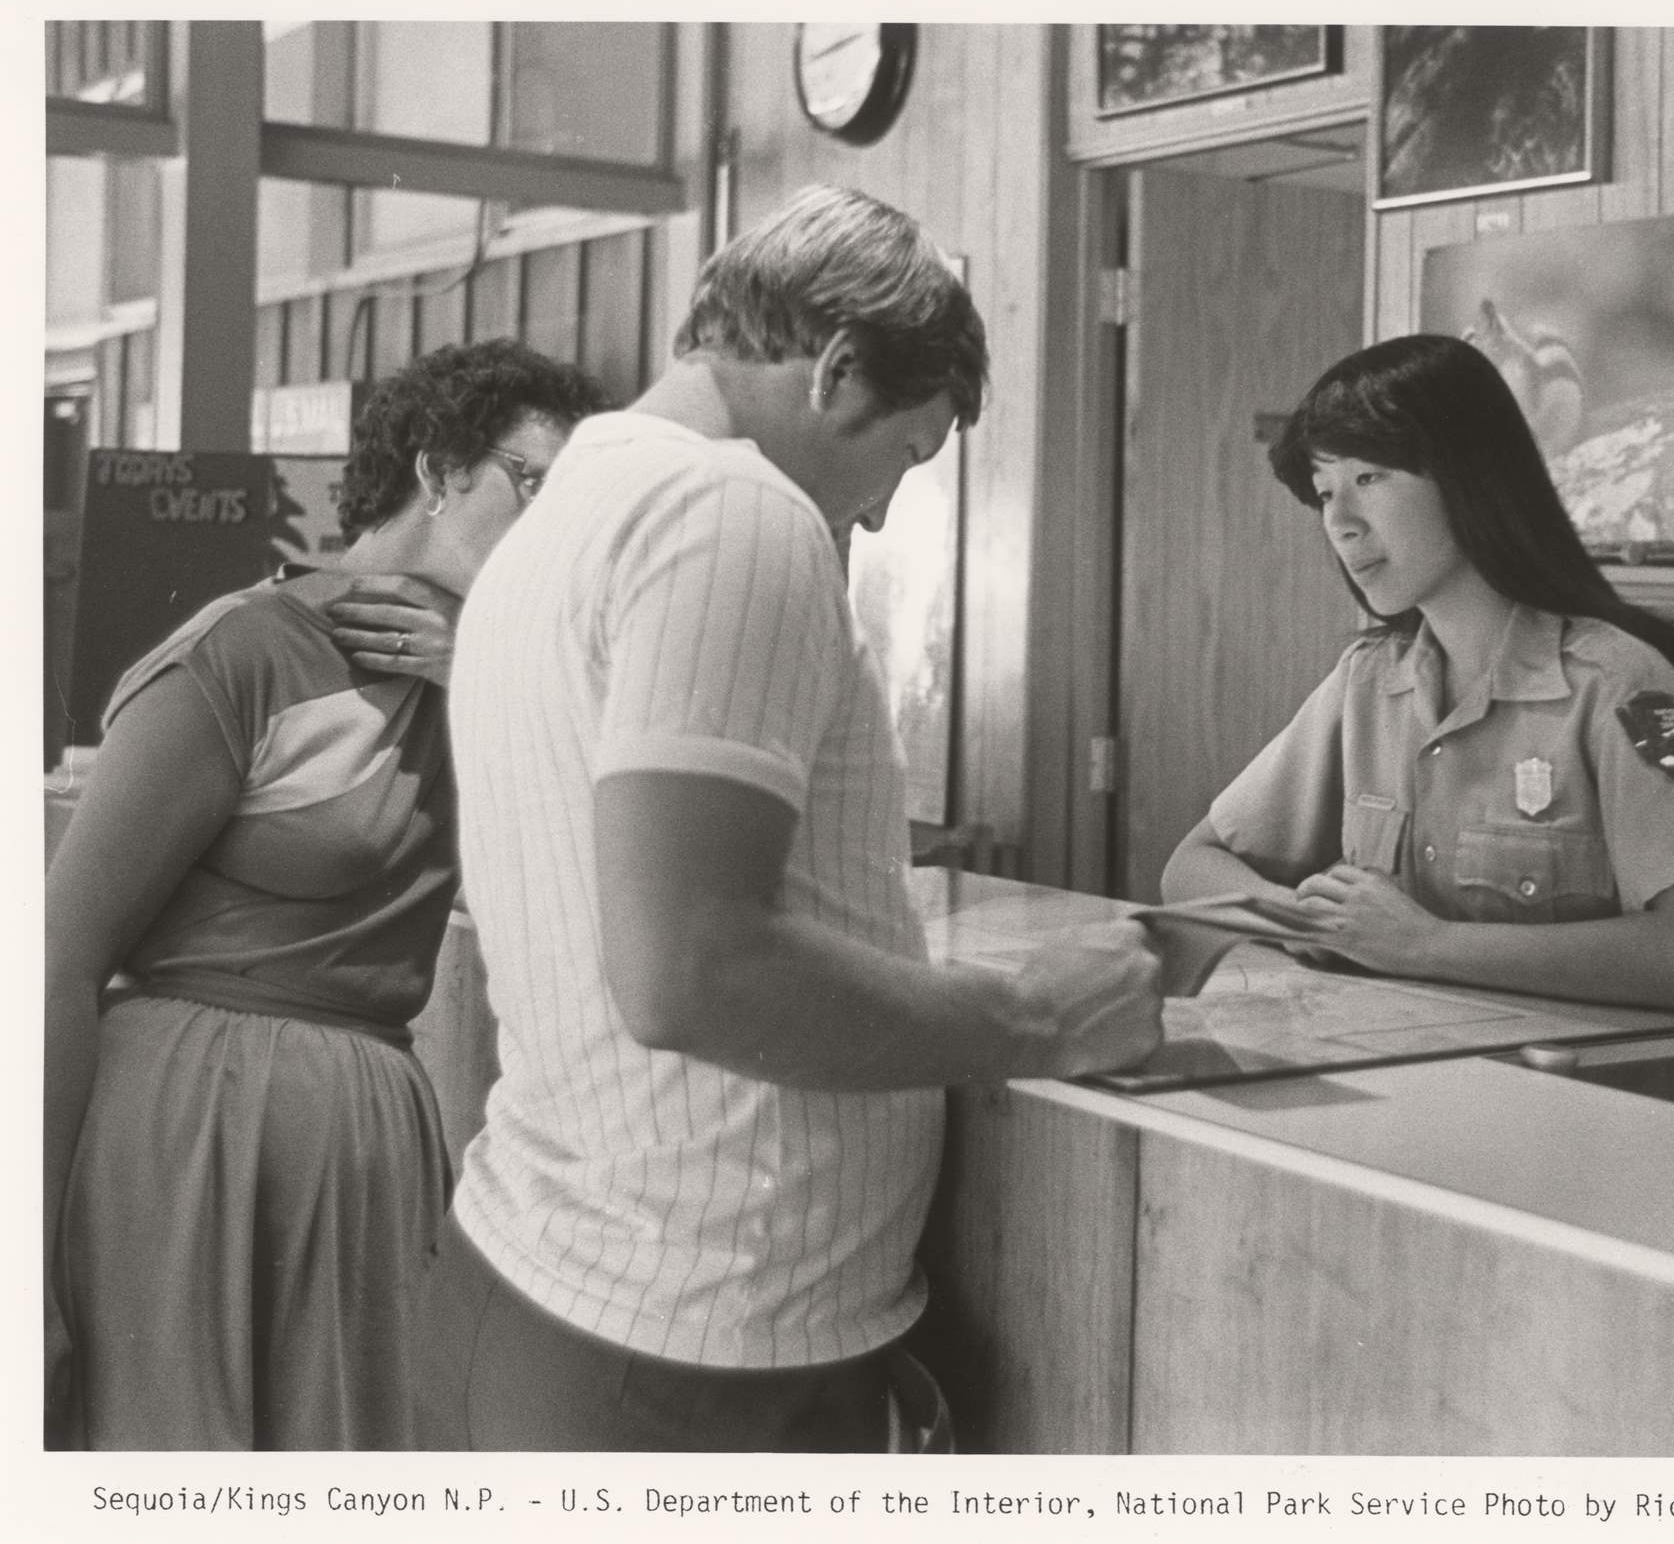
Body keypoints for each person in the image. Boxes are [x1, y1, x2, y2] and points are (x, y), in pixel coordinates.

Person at [420, 184, 1164, 1452]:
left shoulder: (557, 522)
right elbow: (690, 971)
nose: (876, 512)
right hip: (688, 1336)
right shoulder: (731, 510)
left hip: (553, 1276)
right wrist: (1032, 1019)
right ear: (833, 369)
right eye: (903, 458)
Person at [45, 339, 605, 1449]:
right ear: (440, 468)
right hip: (185, 1124)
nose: (559, 530)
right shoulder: (248, 649)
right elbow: (55, 958)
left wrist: (499, 665)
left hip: (366, 1140)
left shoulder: (513, 676)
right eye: (536, 485)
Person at [1161, 334, 1674, 1012]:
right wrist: (1304, 917)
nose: (1341, 523)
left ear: (1468, 476)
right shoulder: (1366, 683)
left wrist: (1424, 944)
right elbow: (1189, 868)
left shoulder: (1631, 685)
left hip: (1577, 1100)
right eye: (1326, 492)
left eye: (1369, 478)